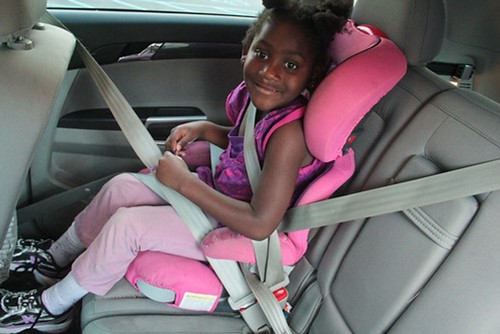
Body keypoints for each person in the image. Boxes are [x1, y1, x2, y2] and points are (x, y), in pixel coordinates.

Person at [0, 0, 351, 332]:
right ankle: (54, 259)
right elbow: (247, 145)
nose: (269, 71)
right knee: (122, 187)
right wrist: (205, 130)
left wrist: (185, 184)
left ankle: (51, 309)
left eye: (290, 65)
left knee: (129, 226)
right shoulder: (257, 101)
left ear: (314, 73)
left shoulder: (290, 135)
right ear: (246, 48)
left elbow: (260, 224)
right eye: (262, 53)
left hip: (241, 232)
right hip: (220, 197)